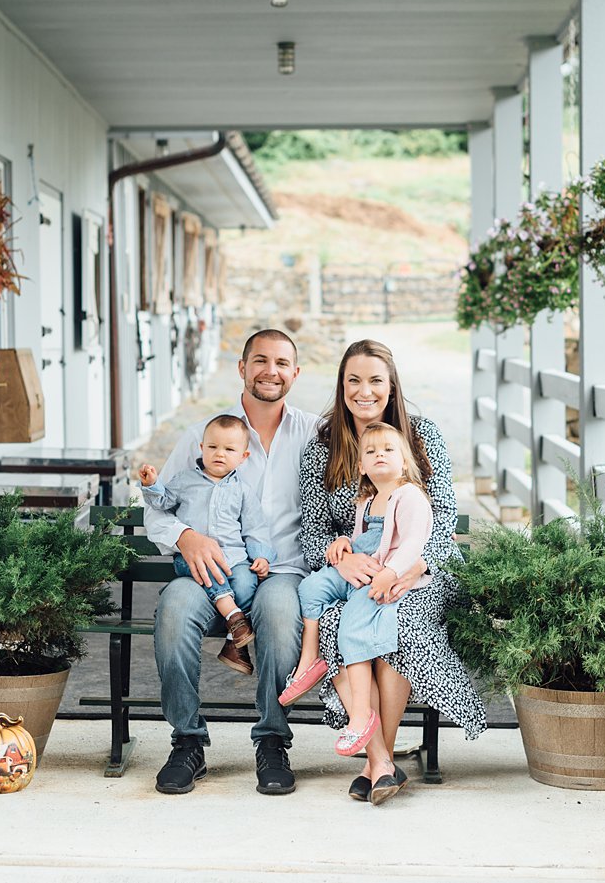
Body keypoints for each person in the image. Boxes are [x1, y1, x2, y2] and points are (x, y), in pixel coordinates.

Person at [298, 338, 487, 805]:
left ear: (392, 385)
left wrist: (409, 567)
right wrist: (340, 554)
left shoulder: (422, 435)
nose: (365, 391)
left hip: (422, 566)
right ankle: (381, 761)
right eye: (354, 381)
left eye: (375, 380)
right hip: (355, 570)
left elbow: (442, 515)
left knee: (398, 619)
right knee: (338, 623)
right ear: (341, 386)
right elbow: (312, 530)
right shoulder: (322, 446)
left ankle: (373, 759)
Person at [145, 328, 318, 796]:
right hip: (207, 570)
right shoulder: (206, 434)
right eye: (260, 360)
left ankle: (272, 742)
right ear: (241, 368)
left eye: (282, 363)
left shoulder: (314, 434)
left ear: (295, 373)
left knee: (283, 619)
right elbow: (157, 507)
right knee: (174, 615)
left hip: (280, 569)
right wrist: (185, 536)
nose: (271, 371)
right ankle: (187, 742)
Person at [281, 423, 432, 786]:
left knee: (351, 626)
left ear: (405, 461)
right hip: (362, 566)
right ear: (361, 465)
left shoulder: (410, 495)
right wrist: (343, 542)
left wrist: (391, 573)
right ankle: (310, 659)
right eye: (371, 451)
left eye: (389, 450)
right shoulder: (367, 500)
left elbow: (414, 542)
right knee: (312, 589)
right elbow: (366, 539)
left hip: (386, 575)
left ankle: (361, 715)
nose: (380, 455)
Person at [136, 414, 276, 675]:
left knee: (247, 583)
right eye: (212, 447)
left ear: (243, 457)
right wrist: (152, 484)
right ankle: (234, 617)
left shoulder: (243, 490)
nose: (219, 454)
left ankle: (234, 641)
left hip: (233, 558)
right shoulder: (185, 480)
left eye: (229, 449)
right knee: (210, 574)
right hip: (192, 559)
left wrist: (261, 556)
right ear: (201, 448)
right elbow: (162, 503)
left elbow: (255, 527)